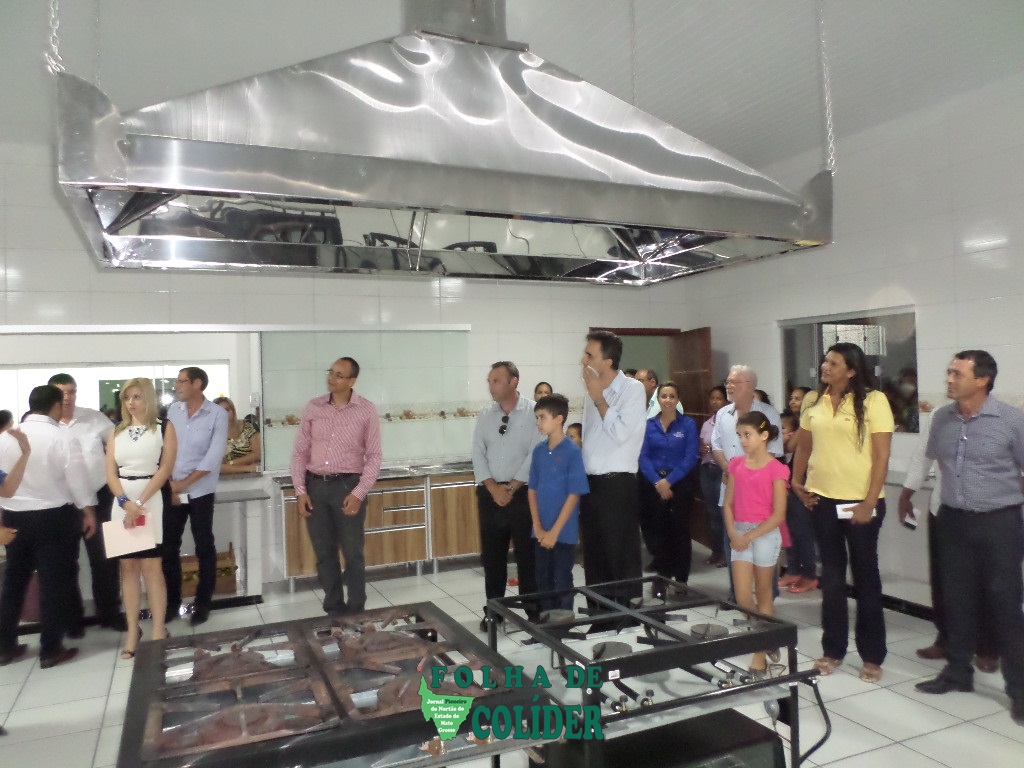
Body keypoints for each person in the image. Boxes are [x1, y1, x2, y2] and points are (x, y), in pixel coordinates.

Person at [913, 351, 1024, 726]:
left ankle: (1019, 690)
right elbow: (935, 462)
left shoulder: (1011, 420)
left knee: (1006, 605)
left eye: (957, 373)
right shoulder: (942, 418)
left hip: (999, 523)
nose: (949, 379)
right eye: (948, 372)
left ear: (982, 380)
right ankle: (958, 672)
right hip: (953, 521)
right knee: (956, 600)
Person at [792, 342, 894, 683]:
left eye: (834, 363)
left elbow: (881, 456)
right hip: (822, 501)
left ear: (851, 370)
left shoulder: (874, 401)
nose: (826, 367)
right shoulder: (814, 401)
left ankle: (873, 655)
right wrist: (796, 481)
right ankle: (833, 649)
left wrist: (869, 502)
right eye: (825, 361)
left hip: (861, 503)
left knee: (866, 578)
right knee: (833, 579)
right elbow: (803, 446)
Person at [0, 385, 96, 669]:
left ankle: (4, 647)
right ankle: (50, 649)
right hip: (54, 518)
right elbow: (77, 481)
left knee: (14, 583)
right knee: (54, 584)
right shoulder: (62, 436)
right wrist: (88, 511)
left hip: (14, 518)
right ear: (55, 405)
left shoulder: (5, 438)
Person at [898, 407, 998, 670]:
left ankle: (987, 647)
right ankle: (946, 639)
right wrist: (906, 493)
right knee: (943, 580)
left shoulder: (998, 417)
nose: (951, 385)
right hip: (942, 509)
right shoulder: (939, 416)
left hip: (983, 512)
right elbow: (923, 455)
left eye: (957, 381)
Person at [291, 357, 382, 617]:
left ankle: (356, 609)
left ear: (352, 381)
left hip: (347, 486)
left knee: (353, 553)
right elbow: (300, 452)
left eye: (339, 375)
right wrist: (300, 491)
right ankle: (333, 608)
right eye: (331, 372)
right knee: (324, 553)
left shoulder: (366, 410)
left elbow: (374, 456)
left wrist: (359, 493)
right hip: (315, 486)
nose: (332, 378)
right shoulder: (314, 407)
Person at [48, 373, 125, 634]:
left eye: (71, 391)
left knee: (106, 559)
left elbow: (118, 444)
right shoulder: (43, 423)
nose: (67, 397)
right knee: (65, 562)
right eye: (61, 392)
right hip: (62, 502)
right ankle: (72, 620)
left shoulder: (93, 418)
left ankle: (109, 614)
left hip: (100, 496)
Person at [106, 378, 176, 658]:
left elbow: (165, 469)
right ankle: (133, 631)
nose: (131, 402)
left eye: (136, 396)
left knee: (152, 567)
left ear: (148, 398)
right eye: (126, 398)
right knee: (128, 568)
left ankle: (158, 629)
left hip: (151, 500)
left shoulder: (164, 427)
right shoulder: (116, 431)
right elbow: (110, 472)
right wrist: (125, 502)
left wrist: (139, 502)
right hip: (121, 502)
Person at [471, 361, 539, 630]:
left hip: (522, 494)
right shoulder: (485, 414)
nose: (491, 386)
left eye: (496, 381)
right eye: (489, 381)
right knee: (492, 557)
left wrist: (512, 486)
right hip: (490, 495)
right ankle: (494, 610)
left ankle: (533, 610)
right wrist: (492, 487)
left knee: (527, 555)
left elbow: (535, 452)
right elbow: (478, 452)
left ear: (514, 382)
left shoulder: (533, 412)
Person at [580, 331, 648, 598]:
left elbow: (620, 433)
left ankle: (625, 614)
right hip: (591, 484)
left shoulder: (632, 389)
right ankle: (599, 614)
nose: (583, 360)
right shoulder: (591, 392)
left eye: (589, 355)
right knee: (594, 555)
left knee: (620, 555)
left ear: (608, 361)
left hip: (617, 484)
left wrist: (599, 398)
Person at [723, 411, 789, 677]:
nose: (742, 440)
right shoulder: (736, 465)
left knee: (763, 595)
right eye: (739, 435)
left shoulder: (776, 469)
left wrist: (748, 537)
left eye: (747, 435)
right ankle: (767, 633)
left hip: (765, 534)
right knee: (742, 597)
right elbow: (728, 504)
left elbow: (778, 515)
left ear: (764, 436)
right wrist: (733, 533)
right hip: (739, 532)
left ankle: (759, 656)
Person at [163, 367, 229, 627]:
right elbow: (166, 449)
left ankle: (203, 605)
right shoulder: (173, 411)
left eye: (182, 381)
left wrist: (184, 484)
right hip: (172, 489)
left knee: (204, 546)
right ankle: (172, 602)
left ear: (197, 384)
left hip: (200, 490)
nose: (177, 386)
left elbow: (213, 456)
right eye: (177, 381)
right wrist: (170, 484)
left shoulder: (217, 414)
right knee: (169, 547)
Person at [711, 366, 784, 574]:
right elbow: (716, 445)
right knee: (732, 543)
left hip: (759, 493)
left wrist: (744, 475)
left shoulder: (768, 414)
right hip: (730, 487)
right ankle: (736, 590)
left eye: (734, 382)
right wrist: (729, 470)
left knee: (763, 549)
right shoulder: (723, 413)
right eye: (728, 382)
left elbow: (773, 452)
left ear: (750, 386)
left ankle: (767, 588)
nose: (729, 386)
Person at [528, 394, 589, 614]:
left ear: (559, 418)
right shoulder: (539, 451)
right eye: (537, 417)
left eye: (542, 417)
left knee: (561, 578)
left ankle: (563, 623)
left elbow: (574, 494)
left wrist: (554, 532)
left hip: (563, 532)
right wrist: (537, 526)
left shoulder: (572, 452)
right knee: (542, 578)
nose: (538, 422)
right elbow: (532, 490)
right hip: (540, 530)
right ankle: (546, 623)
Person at [638, 382, 699, 583]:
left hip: (680, 484)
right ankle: (663, 577)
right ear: (658, 399)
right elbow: (643, 456)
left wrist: (669, 481)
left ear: (678, 399)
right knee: (658, 532)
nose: (668, 400)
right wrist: (658, 481)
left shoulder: (688, 424)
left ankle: (681, 580)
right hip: (654, 485)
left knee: (680, 532)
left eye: (672, 396)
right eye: (664, 396)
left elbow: (690, 457)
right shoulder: (648, 425)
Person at [778, 412, 818, 593]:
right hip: (789, 486)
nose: (794, 401)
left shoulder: (806, 430)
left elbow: (790, 447)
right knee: (789, 530)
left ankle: (809, 574)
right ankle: (793, 570)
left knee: (803, 532)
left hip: (805, 485)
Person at [698, 385, 728, 567]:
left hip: (722, 471)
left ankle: (726, 553)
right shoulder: (707, 424)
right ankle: (716, 551)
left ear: (726, 401)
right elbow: (702, 446)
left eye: (719, 398)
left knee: (724, 513)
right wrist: (702, 449)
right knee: (712, 513)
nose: (715, 402)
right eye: (712, 398)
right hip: (707, 469)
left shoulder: (730, 422)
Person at [213, 396, 262, 474]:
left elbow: (258, 454)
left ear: (233, 411)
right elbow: (216, 467)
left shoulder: (248, 426)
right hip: (228, 477)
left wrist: (231, 463)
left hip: (253, 475)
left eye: (227, 410)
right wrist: (246, 468)